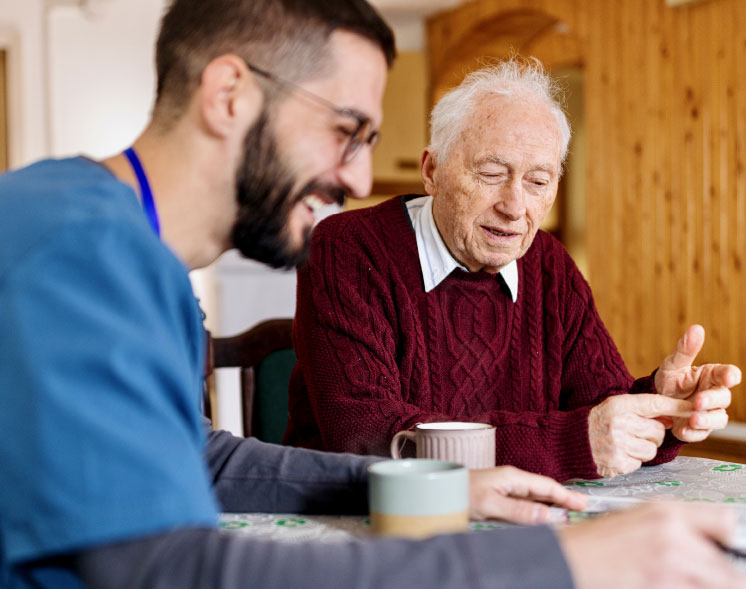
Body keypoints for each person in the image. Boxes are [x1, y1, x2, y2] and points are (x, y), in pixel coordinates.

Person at [0, 1, 743, 587]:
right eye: (344, 131)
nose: (358, 180)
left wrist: (452, 486)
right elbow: (164, 572)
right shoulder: (71, 251)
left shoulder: (140, 258)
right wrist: (565, 565)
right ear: (229, 94)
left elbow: (211, 463)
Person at [285, 58, 741, 482]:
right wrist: (571, 441)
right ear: (432, 170)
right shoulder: (346, 248)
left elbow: (600, 409)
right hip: (367, 524)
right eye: (491, 174)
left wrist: (660, 409)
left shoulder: (549, 264)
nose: (514, 207)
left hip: (513, 523)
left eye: (538, 182)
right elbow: (367, 436)